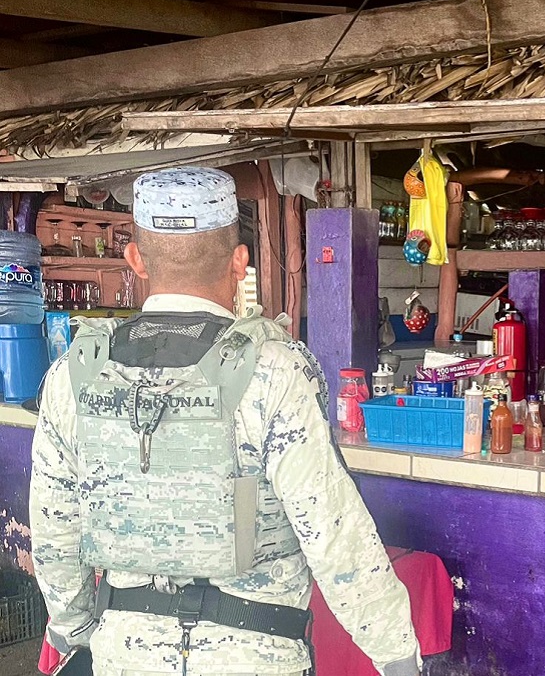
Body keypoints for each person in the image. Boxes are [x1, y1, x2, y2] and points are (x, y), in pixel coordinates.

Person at [30, 167, 420, 676]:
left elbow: (55, 528)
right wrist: (394, 651)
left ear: (136, 260)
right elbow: (332, 530)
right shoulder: (275, 370)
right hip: (256, 652)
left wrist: (73, 624)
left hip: (126, 652)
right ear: (240, 262)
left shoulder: (76, 372)